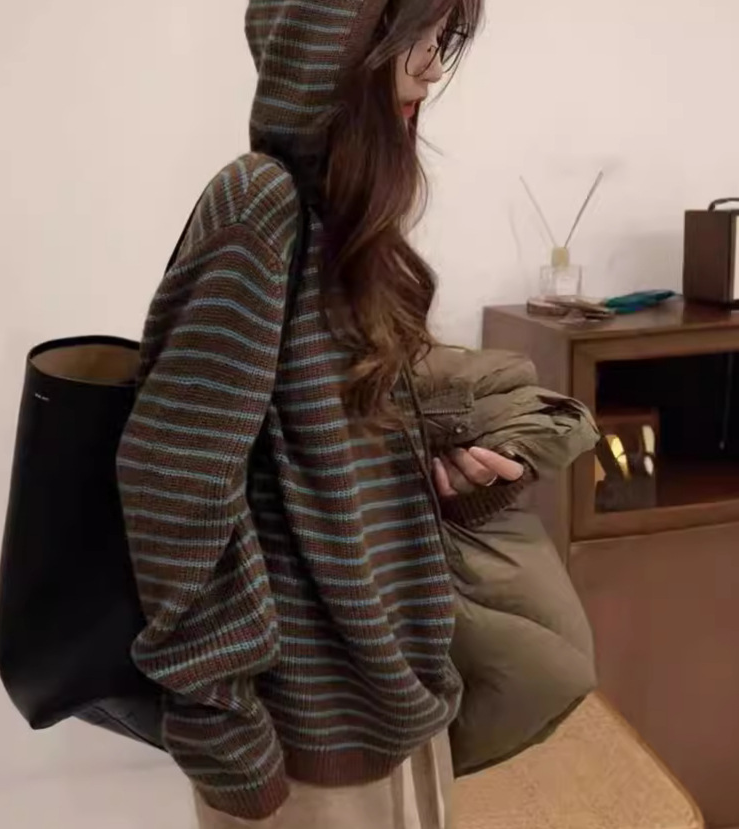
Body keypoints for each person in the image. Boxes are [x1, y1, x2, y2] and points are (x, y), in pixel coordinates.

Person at [117, 1, 525, 826]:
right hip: (304, 741)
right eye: (415, 39)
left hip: (394, 704)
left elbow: (316, 461)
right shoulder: (257, 206)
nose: (432, 68)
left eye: (442, 40)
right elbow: (173, 482)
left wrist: (443, 481)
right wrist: (224, 732)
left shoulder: (341, 224)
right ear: (329, 51)